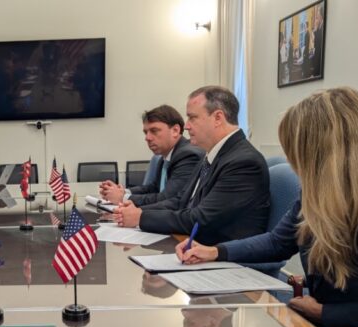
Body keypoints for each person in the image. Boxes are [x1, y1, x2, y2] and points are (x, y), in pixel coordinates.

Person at [177, 87, 358, 327]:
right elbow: (277, 242)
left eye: (298, 153)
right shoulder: (316, 197)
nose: (293, 163)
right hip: (322, 326)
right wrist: (215, 251)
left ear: (325, 157)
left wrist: (324, 313)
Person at [114, 86, 270, 245]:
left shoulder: (243, 162)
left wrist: (141, 217)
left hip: (219, 252)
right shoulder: (212, 154)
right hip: (194, 245)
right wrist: (138, 211)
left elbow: (201, 218)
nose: (187, 126)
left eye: (192, 118)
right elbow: (181, 201)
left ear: (218, 118)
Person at [99, 105, 204, 206]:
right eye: (146, 132)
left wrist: (123, 198)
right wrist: (123, 191)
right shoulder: (164, 157)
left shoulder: (188, 156)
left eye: (154, 131)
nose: (147, 138)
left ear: (175, 131)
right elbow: (154, 188)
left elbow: (168, 199)